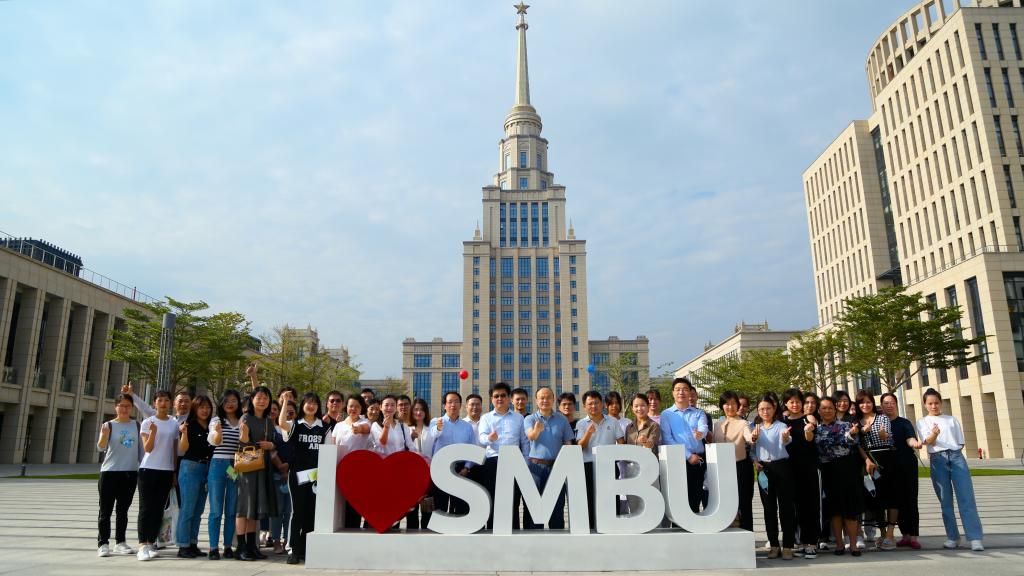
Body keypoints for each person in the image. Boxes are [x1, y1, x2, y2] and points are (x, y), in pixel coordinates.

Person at [917, 388, 984, 551]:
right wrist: (934, 434)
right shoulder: (922, 422)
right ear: (925, 405)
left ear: (941, 403)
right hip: (937, 459)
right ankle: (953, 537)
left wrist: (953, 453)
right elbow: (928, 442)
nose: (934, 406)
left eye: (936, 403)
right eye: (930, 403)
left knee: (966, 498)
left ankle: (975, 537)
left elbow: (960, 442)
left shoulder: (951, 419)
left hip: (956, 457)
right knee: (945, 501)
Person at [804, 396, 863, 557]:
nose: (827, 410)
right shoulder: (816, 429)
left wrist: (852, 434)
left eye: (830, 407)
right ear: (818, 410)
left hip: (847, 469)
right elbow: (811, 445)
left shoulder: (845, 425)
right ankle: (839, 544)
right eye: (823, 408)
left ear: (835, 409)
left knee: (850, 509)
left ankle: (853, 545)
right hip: (827, 471)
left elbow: (852, 441)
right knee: (834, 510)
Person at [278, 391, 329, 565]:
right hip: (297, 474)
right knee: (297, 511)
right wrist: (286, 401)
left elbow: (328, 452)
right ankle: (293, 549)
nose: (311, 405)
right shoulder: (295, 425)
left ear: (318, 406)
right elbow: (281, 423)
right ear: (303, 405)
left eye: (314, 403)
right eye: (308, 402)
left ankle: (306, 548)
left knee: (311, 512)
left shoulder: (324, 427)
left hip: (316, 475)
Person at [235, 385, 279, 561]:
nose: (262, 401)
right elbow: (242, 443)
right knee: (244, 507)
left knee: (255, 507)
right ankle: (240, 547)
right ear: (252, 400)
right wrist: (245, 435)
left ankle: (251, 546)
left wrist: (271, 445)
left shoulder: (268, 420)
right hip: (248, 467)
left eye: (265, 398)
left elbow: (274, 441)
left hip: (263, 466)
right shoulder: (246, 417)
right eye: (258, 397)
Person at [750, 393, 796, 560]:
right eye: (762, 409)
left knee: (786, 508)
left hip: (781, 467)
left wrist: (785, 437)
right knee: (769, 509)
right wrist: (755, 460)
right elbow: (752, 449)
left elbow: (787, 438)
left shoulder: (781, 426)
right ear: (757, 410)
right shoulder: (756, 428)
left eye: (768, 408)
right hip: (764, 469)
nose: (765, 411)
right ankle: (774, 545)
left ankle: (788, 546)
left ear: (774, 408)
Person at [96, 394, 143, 558]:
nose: (124, 409)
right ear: (115, 407)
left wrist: (143, 469)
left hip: (129, 473)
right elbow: (101, 448)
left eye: (128, 406)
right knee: (105, 511)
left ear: (132, 408)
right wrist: (104, 435)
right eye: (121, 405)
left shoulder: (137, 425)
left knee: (123, 511)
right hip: (109, 473)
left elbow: (141, 451)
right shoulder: (108, 425)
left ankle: (120, 542)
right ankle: (103, 543)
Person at [135, 390, 180, 561]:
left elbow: (174, 449)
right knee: (146, 508)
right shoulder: (148, 422)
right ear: (154, 403)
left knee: (159, 509)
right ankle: (142, 545)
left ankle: (151, 542)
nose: (163, 403)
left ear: (170, 403)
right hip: (148, 469)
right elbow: (147, 448)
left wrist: (173, 471)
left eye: (166, 400)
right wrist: (153, 432)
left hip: (166, 471)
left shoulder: (174, 423)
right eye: (160, 400)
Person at [479, 382, 529, 530]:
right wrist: (490, 438)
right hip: (493, 462)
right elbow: (481, 439)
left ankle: (514, 531)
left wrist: (525, 462)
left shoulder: (519, 418)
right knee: (492, 498)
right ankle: (492, 531)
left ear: (509, 398)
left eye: (503, 395)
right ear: (491, 399)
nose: (499, 398)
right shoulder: (486, 418)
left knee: (513, 499)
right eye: (496, 396)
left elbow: (524, 442)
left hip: (514, 462)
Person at [523, 386, 574, 529]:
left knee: (557, 505)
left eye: (548, 397)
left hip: (556, 467)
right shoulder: (530, 418)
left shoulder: (562, 420)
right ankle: (533, 537)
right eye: (542, 398)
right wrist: (536, 431)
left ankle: (557, 536)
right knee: (533, 506)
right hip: (535, 467)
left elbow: (568, 442)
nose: (545, 400)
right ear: (536, 400)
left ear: (553, 399)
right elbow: (530, 436)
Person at [576, 389, 625, 529]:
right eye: (590, 404)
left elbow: (621, 442)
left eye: (596, 403)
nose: (593, 406)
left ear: (602, 404)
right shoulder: (581, 424)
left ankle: (613, 526)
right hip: (588, 465)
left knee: (612, 498)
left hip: (609, 465)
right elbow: (579, 447)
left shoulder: (613, 421)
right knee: (590, 498)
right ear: (584, 406)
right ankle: (592, 527)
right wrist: (588, 434)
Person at [855, 390, 898, 550]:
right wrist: (867, 459)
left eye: (868, 402)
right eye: (862, 402)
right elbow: (857, 444)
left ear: (873, 403)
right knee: (876, 498)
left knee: (891, 497)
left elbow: (887, 436)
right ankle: (882, 532)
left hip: (886, 457)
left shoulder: (882, 418)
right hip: (869, 461)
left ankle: (890, 534)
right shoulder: (856, 422)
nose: (865, 405)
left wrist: (881, 434)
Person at [660, 377, 708, 513]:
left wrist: (700, 434)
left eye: (685, 389)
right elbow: (668, 439)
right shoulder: (666, 414)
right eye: (678, 389)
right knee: (678, 501)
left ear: (690, 392)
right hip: (677, 460)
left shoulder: (699, 413)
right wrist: (688, 456)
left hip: (697, 461)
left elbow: (703, 428)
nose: (681, 392)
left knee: (694, 499)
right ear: (673, 393)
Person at [781, 388, 819, 559]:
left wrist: (808, 431)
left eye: (797, 401)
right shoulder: (783, 422)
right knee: (797, 506)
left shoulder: (808, 419)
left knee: (811, 504)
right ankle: (803, 541)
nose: (795, 404)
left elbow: (810, 439)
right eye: (791, 402)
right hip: (789, 469)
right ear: (786, 404)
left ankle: (812, 543)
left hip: (808, 467)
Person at [880, 392, 921, 549]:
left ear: (896, 404)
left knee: (911, 499)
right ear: (881, 406)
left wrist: (915, 443)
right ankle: (905, 535)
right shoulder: (879, 423)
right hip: (889, 467)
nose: (889, 405)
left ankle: (914, 536)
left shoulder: (904, 422)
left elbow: (910, 438)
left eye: (892, 402)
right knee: (897, 501)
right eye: (886, 403)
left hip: (907, 465)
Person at [175, 394, 214, 558]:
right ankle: (183, 545)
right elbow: (183, 449)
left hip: (207, 468)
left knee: (198, 510)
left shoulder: (212, 427)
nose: (205, 410)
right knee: (188, 508)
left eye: (207, 407)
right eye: (201, 407)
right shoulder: (188, 425)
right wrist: (184, 433)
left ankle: (192, 543)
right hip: (190, 467)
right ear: (195, 409)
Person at [428, 391, 477, 515]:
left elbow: (472, 448)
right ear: (444, 405)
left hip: (461, 469)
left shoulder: (467, 426)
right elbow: (431, 437)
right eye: (450, 402)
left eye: (456, 402)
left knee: (460, 507)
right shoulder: (436, 422)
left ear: (460, 405)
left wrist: (467, 467)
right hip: (441, 468)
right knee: (440, 505)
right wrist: (438, 428)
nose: (453, 405)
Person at [207, 389, 242, 560]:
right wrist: (218, 432)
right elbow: (214, 441)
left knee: (231, 509)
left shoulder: (242, 420)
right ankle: (213, 547)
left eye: (234, 400)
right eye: (227, 400)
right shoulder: (216, 420)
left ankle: (227, 546)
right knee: (216, 509)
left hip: (234, 466)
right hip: (218, 465)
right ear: (221, 403)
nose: (230, 403)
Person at [712, 391, 753, 532]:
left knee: (744, 503)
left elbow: (748, 436)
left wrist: (753, 438)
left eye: (733, 404)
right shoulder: (717, 425)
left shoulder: (743, 423)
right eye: (726, 404)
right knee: (725, 503)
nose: (730, 407)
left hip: (740, 467)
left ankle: (747, 534)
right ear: (722, 406)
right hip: (722, 468)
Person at [332, 394, 371, 529]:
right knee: (339, 504)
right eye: (351, 406)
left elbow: (365, 429)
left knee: (353, 505)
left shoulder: (365, 423)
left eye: (357, 407)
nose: (353, 409)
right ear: (346, 407)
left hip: (357, 470)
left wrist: (358, 429)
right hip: (339, 469)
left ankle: (353, 531)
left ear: (361, 408)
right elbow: (333, 445)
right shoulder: (339, 425)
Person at [623, 393, 661, 516]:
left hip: (649, 468)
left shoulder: (654, 425)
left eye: (643, 405)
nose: (639, 408)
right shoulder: (629, 427)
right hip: (631, 469)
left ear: (648, 406)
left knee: (651, 503)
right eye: (636, 406)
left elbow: (652, 444)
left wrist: (645, 441)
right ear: (632, 408)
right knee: (633, 502)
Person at [269, 400, 295, 555]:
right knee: (277, 511)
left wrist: (288, 467)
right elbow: (271, 451)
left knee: (289, 512)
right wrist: (281, 467)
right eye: (286, 411)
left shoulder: (294, 429)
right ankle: (276, 540)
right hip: (276, 474)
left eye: (291, 412)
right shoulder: (272, 429)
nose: (288, 414)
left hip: (292, 475)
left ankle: (287, 540)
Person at [405, 398, 433, 530]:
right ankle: (412, 533)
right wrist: (410, 438)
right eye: (416, 409)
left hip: (429, 473)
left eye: (422, 410)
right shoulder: (406, 429)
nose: (418, 412)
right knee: (412, 509)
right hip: (411, 474)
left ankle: (427, 533)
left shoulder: (431, 429)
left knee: (428, 508)